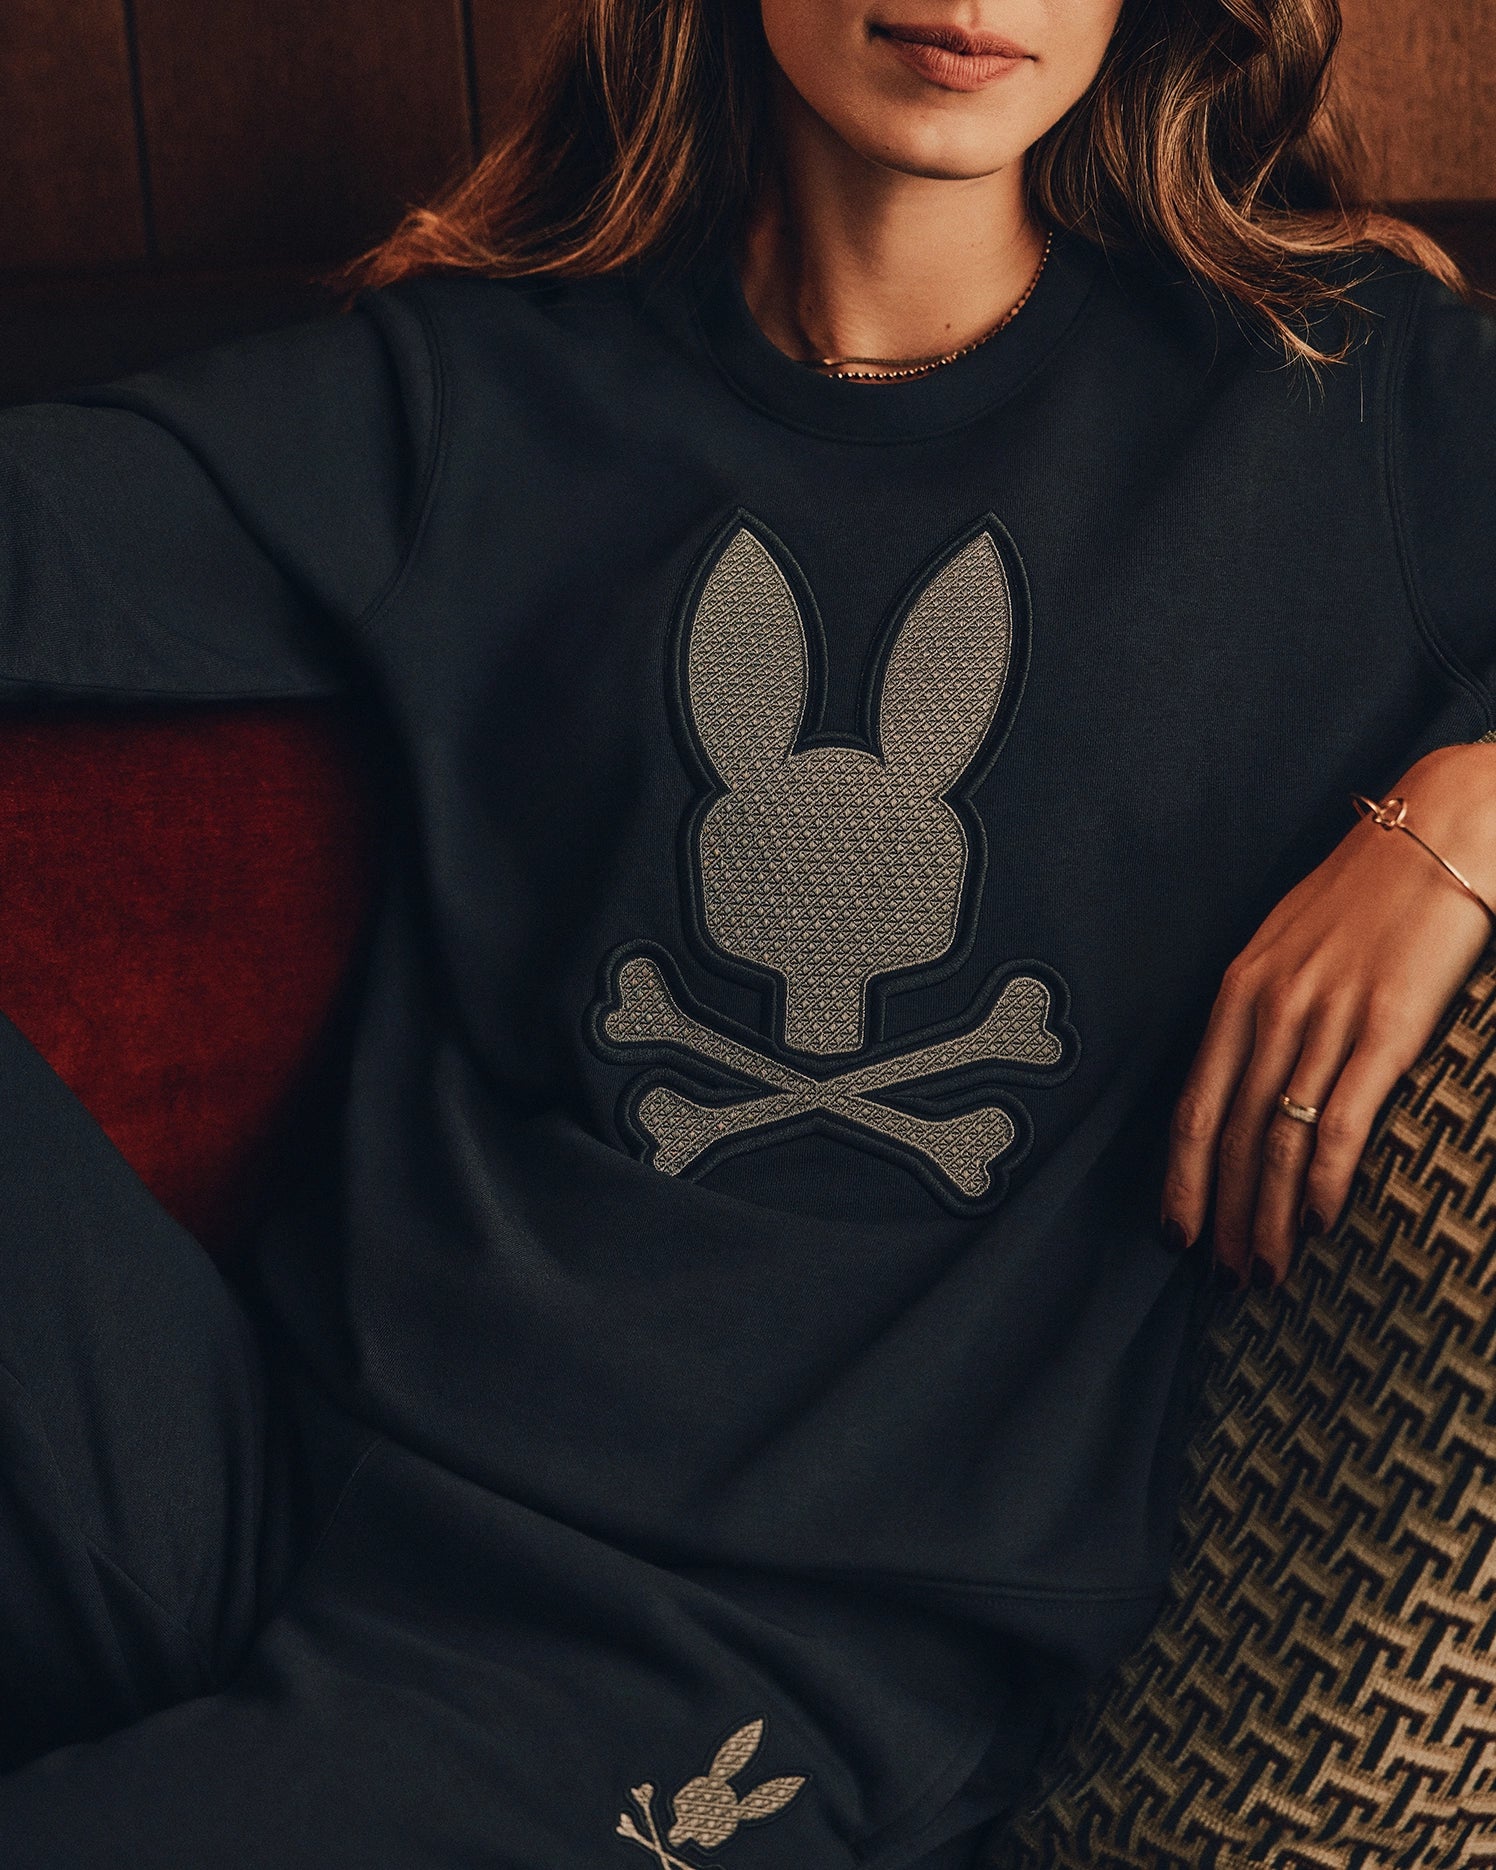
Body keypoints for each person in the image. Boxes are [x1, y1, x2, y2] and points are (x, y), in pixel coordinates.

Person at [0, 1, 1492, 1864]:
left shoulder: (1334, 401)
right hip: (267, 1475)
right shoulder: (486, 386)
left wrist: (1471, 812)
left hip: (725, 1663)